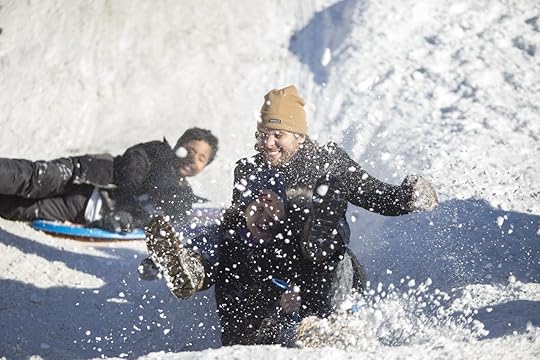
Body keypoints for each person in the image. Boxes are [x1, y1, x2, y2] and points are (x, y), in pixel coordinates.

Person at [144, 169, 366, 346]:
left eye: (272, 206)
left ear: (284, 208)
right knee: (218, 249)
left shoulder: (298, 224)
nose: (264, 214)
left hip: (323, 302)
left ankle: (328, 324)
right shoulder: (230, 237)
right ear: (244, 210)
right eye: (257, 207)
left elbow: (344, 262)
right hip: (259, 326)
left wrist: (301, 299)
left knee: (325, 254)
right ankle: (192, 271)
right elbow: (202, 245)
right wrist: (160, 262)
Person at [232, 85, 439, 264]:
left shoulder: (327, 163)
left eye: (278, 135)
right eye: (263, 134)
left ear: (300, 137)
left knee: (317, 207)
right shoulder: (248, 171)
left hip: (323, 265)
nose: (268, 143)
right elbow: (236, 226)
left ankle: (318, 236)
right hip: (269, 268)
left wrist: (408, 197)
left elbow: (374, 196)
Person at [0, 127, 219, 232]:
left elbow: (159, 224)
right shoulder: (157, 152)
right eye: (189, 150)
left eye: (201, 158)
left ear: (204, 167)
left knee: (20, 209)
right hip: (83, 174)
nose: (192, 159)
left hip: (83, 208)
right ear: (177, 146)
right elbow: (134, 161)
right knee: (31, 178)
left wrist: (128, 219)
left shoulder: (179, 196)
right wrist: (128, 200)